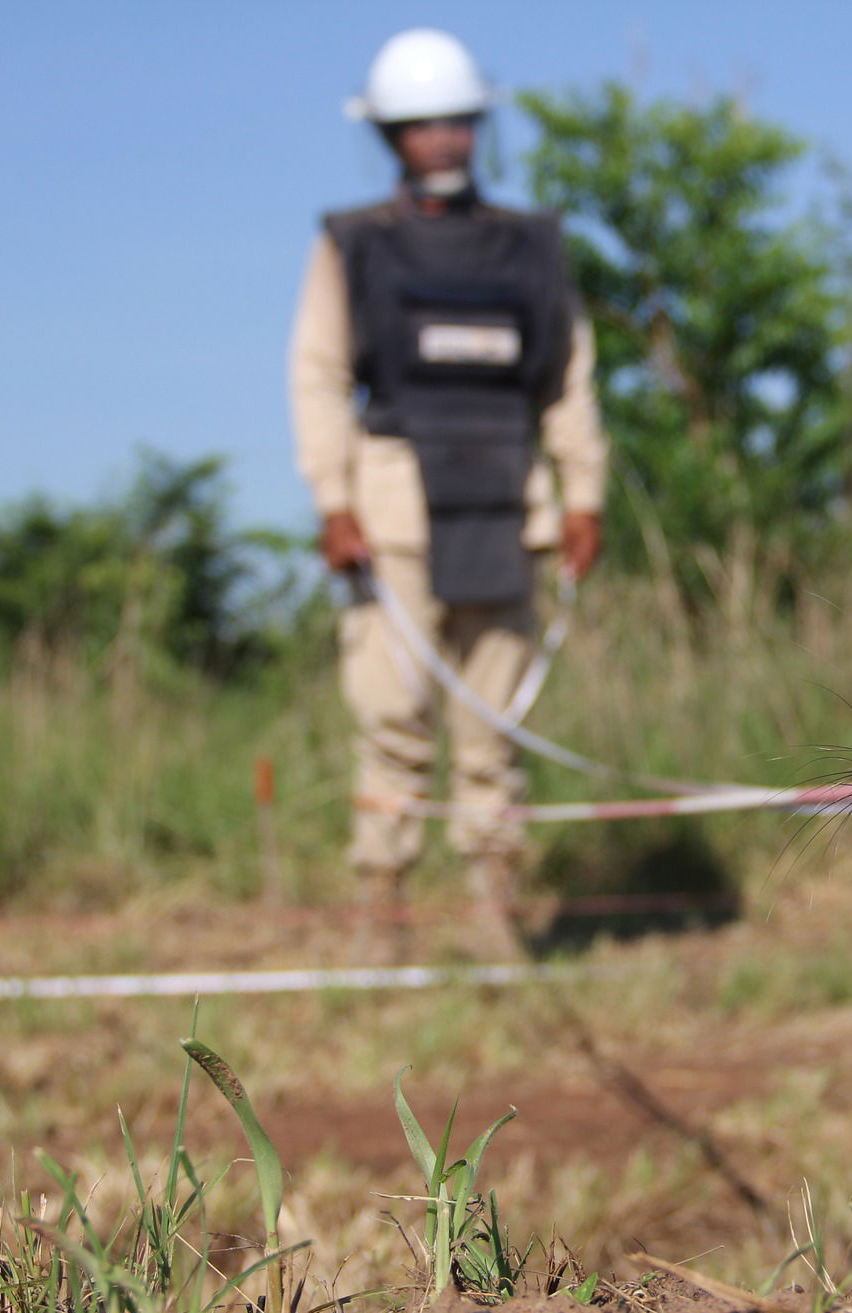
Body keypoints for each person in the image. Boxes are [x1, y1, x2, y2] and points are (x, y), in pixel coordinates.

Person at [288, 28, 607, 956]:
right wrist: (331, 500)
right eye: (421, 125)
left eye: (457, 121)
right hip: (391, 514)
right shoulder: (351, 245)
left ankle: (492, 917)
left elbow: (569, 382)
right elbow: (316, 375)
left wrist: (582, 496)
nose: (443, 140)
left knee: (493, 730)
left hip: (511, 506)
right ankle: (381, 916)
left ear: (478, 125)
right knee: (391, 724)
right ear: (390, 135)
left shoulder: (532, 246)